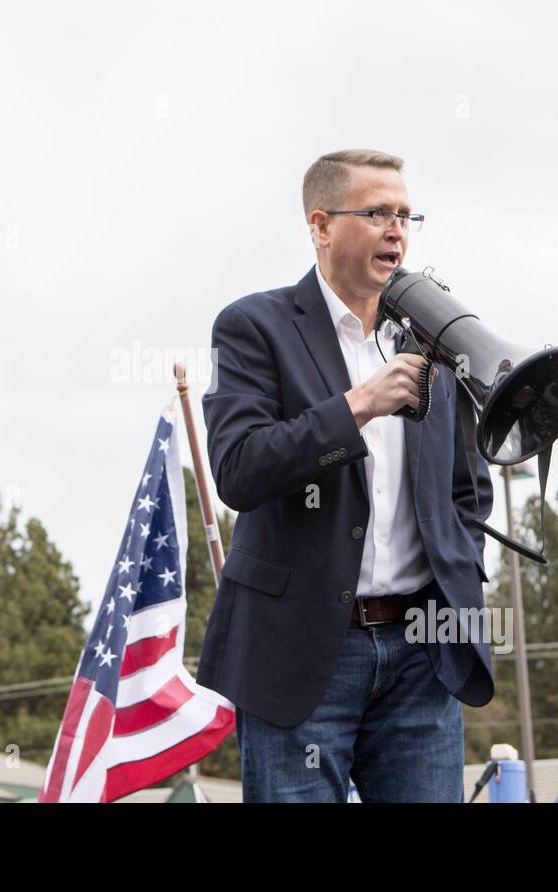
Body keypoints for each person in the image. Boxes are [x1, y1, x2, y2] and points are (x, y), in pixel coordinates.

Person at [197, 148, 494, 802]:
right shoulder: (253, 327)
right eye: (377, 212)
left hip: (422, 655)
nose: (397, 229)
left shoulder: (435, 338)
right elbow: (240, 468)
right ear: (321, 224)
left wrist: (459, 572)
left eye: (406, 214)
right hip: (301, 654)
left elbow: (467, 491)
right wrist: (360, 403)